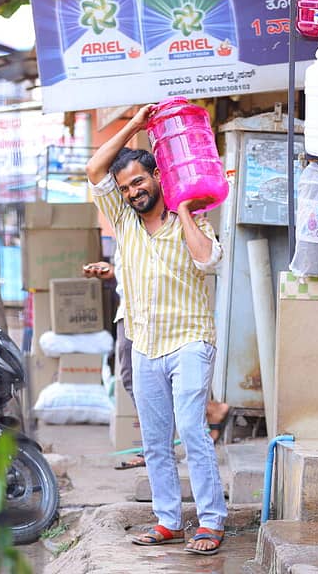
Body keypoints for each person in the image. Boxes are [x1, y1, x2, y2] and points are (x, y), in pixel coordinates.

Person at [84, 105, 227, 555]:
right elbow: (94, 168)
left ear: (158, 177)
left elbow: (208, 261)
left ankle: (210, 520)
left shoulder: (193, 221)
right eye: (125, 187)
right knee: (154, 439)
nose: (131, 192)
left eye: (139, 182)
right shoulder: (124, 220)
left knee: (191, 427)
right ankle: (168, 520)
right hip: (144, 341)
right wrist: (134, 126)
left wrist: (183, 208)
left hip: (189, 339)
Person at [84, 247, 231, 470]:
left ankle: (157, 446)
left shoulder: (155, 220)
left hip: (152, 310)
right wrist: (115, 272)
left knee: (145, 379)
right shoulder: (125, 222)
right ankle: (197, 418)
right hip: (133, 308)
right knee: (136, 378)